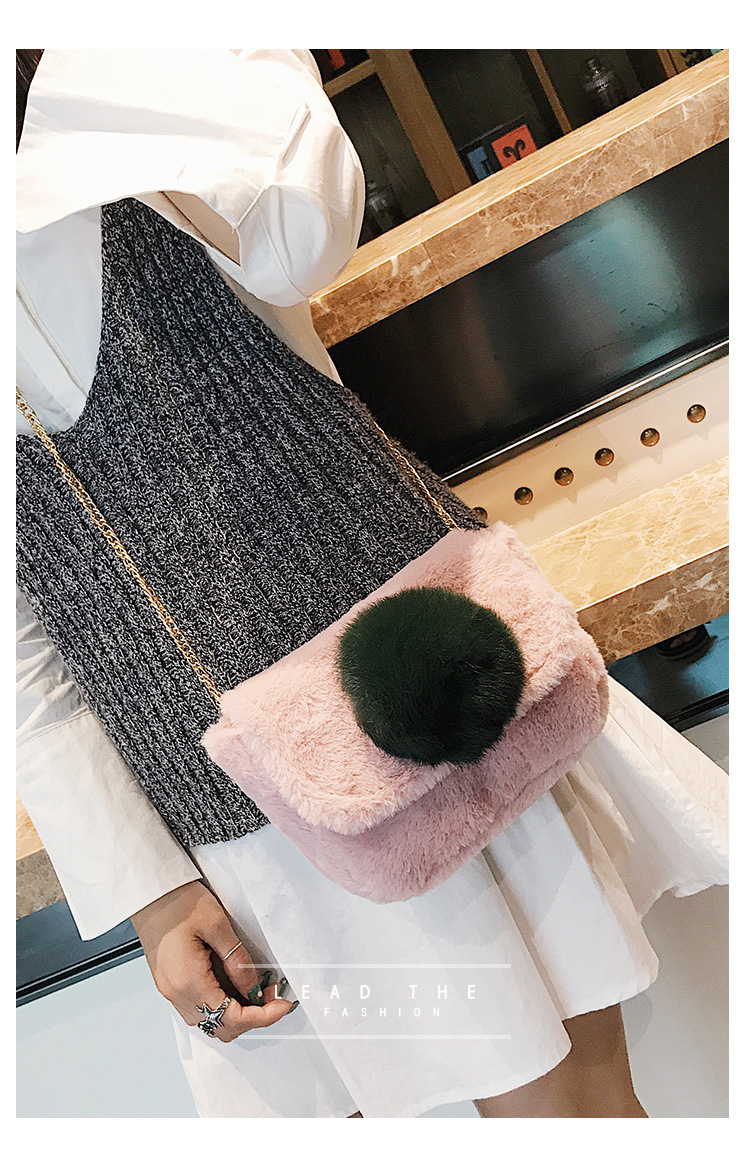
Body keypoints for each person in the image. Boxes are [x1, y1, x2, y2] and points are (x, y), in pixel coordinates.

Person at [16, 48, 728, 1119]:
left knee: (573, 1113)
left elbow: (306, 231)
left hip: (411, 709)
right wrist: (150, 893)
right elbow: (24, 658)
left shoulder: (128, 104)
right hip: (228, 818)